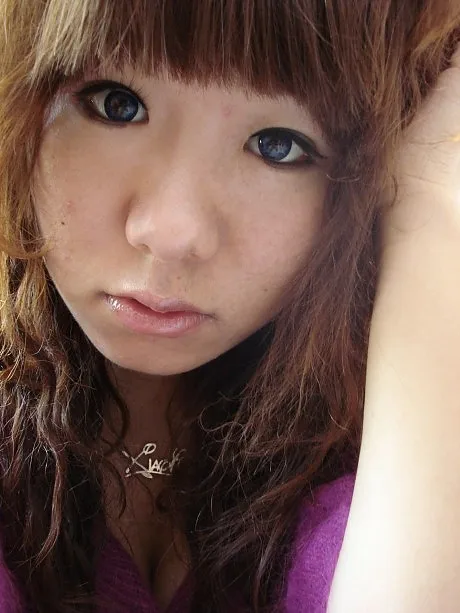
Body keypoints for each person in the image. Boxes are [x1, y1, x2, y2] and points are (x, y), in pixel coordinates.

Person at [0, 1, 458, 612]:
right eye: (117, 104)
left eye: (277, 146)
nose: (171, 232)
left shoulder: (388, 448)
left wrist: (431, 216)